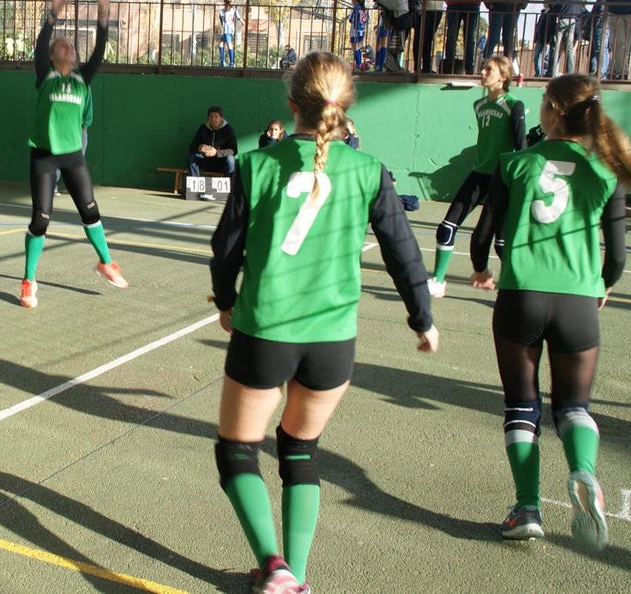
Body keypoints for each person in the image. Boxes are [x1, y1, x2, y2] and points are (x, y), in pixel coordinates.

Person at [209, 51, 438, 593]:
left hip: (266, 331)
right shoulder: (369, 171)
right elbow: (403, 252)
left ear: (292, 105)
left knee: (237, 450)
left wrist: (225, 301)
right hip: (332, 341)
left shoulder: (255, 164)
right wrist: (421, 318)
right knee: (300, 447)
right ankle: (298, 578)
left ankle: (274, 566)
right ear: (347, 106)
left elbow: (225, 250)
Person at [467, 73, 628, 549]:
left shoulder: (515, 163)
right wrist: (604, 284)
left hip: (521, 297)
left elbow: (482, 235)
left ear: (555, 111)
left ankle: (527, 508)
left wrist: (480, 269)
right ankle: (584, 471)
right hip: (578, 301)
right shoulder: (606, 170)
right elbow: (617, 257)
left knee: (521, 405)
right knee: (574, 406)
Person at [19, 0, 127, 308]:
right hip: (44, 156)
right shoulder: (45, 75)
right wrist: (54, 12)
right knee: (41, 218)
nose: (68, 47)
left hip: (72, 156)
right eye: (62, 45)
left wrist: (103, 13)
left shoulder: (82, 80)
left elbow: (99, 52)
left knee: (90, 210)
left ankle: (106, 261)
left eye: (71, 46)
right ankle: (28, 281)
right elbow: (41, 43)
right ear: (53, 56)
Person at [427, 55, 526, 298]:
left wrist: (518, 182)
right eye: (482, 67)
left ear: (503, 76)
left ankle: (516, 288)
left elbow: (521, 147)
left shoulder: (514, 105)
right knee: (446, 226)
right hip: (478, 174)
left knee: (500, 243)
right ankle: (438, 280)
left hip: (501, 179)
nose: (482, 72)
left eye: (488, 69)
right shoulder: (479, 106)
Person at [547, 0, 585, 75]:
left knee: (555, 45)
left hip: (562, 18)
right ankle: (570, 72)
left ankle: (551, 71)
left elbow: (556, 2)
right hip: (573, 20)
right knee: (569, 47)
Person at [188, 106, 238, 177]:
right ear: (208, 118)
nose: (213, 119)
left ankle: (229, 186)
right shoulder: (203, 128)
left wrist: (216, 153)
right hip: (206, 161)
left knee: (231, 159)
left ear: (221, 118)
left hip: (221, 163)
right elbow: (192, 147)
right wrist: (200, 147)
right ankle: (196, 183)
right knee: (192, 156)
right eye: (211, 116)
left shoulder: (228, 129)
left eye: (216, 116)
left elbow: (234, 150)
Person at [585, 0, 610, 77]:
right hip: (603, 25)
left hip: (600, 26)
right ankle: (599, 72)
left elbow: (600, 11)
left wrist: (594, 25)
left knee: (600, 49)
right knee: (600, 49)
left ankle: (601, 73)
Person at [531, 0, 558, 78]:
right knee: (537, 57)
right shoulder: (543, 12)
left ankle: (543, 73)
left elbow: (551, 26)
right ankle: (539, 73)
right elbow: (539, 26)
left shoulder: (552, 12)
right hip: (540, 38)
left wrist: (549, 38)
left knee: (545, 58)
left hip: (547, 39)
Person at [218, 0, 243, 67]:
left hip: (227, 30)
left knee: (229, 44)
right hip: (229, 29)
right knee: (221, 43)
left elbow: (221, 21)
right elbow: (238, 17)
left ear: (224, 2)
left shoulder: (223, 11)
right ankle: (223, 61)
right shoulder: (233, 9)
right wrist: (243, 22)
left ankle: (231, 62)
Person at [346, 0, 367, 70]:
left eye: (352, 0)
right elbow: (367, 20)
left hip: (355, 29)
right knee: (357, 47)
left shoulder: (355, 8)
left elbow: (350, 19)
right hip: (362, 29)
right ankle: (360, 64)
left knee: (354, 47)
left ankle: (359, 64)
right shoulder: (363, 8)